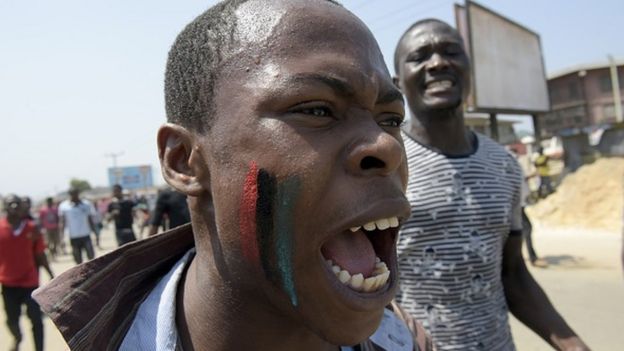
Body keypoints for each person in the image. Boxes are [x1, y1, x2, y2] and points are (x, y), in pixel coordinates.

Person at [33, 1, 435, 350]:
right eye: (316, 110)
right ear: (184, 160)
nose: (387, 146)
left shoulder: (407, 341)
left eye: (391, 119)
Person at [393, 19, 589, 350]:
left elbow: (512, 274)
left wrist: (573, 346)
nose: (438, 62)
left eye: (451, 52)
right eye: (420, 55)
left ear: (470, 69)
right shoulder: (385, 163)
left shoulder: (505, 166)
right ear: (398, 81)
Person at [1, 195, 53, 351]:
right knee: (11, 321)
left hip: (29, 282)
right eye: (11, 203)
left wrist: (50, 273)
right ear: (5, 206)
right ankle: (17, 338)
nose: (15, 206)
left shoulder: (32, 228)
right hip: (8, 284)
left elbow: (40, 255)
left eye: (17, 203)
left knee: (36, 320)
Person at [58, 188, 97, 264]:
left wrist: (95, 232)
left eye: (76, 193)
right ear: (69, 195)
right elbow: (62, 222)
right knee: (78, 259)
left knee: (91, 257)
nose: (74, 196)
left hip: (86, 235)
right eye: (72, 194)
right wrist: (61, 237)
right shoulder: (64, 206)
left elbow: (90, 220)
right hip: (73, 236)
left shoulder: (86, 204)